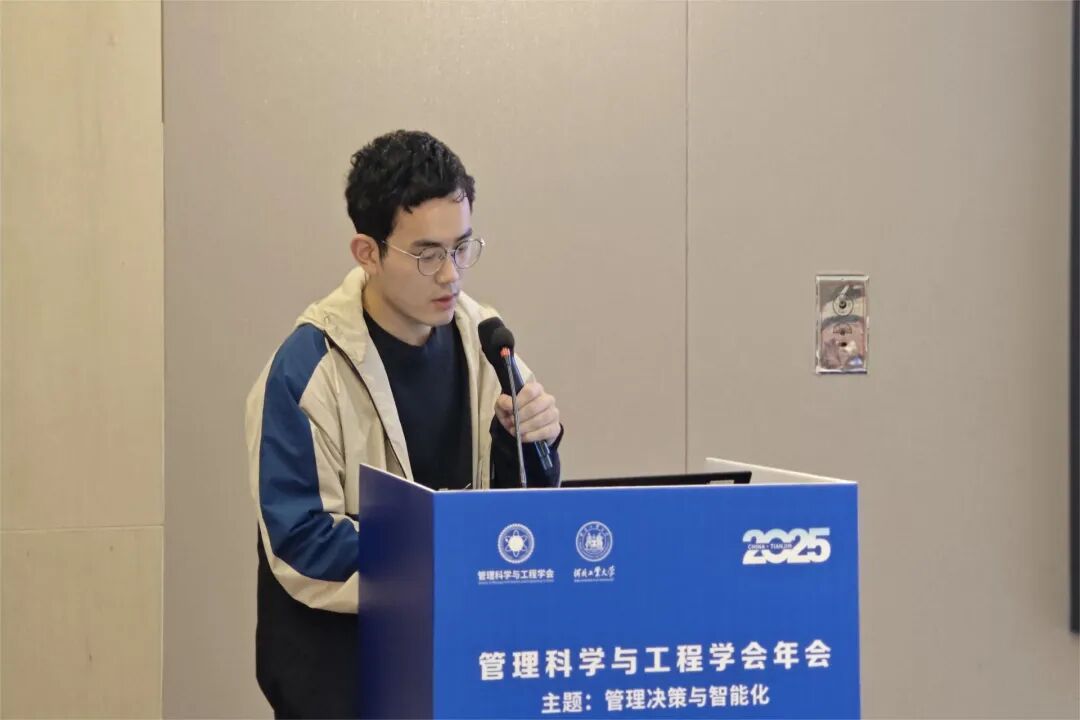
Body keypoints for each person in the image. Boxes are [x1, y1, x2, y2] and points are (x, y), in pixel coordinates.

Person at [244, 130, 564, 718]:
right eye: (427, 254)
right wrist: (450, 554)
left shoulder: (485, 339)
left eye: (462, 247)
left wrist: (530, 439)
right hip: (344, 681)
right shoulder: (306, 371)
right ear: (367, 252)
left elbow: (523, 516)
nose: (451, 275)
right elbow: (302, 545)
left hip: (456, 668)